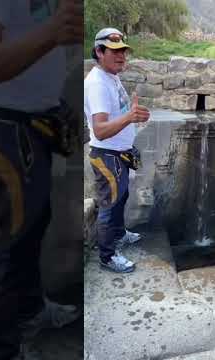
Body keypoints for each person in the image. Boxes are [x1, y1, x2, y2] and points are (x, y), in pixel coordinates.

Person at [0, 1, 82, 359]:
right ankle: (2, 350)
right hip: (0, 126)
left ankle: (29, 312)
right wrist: (54, 31)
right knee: (4, 247)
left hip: (27, 122)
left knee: (32, 225)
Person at [84, 27, 150, 273]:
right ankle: (108, 256)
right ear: (99, 52)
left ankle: (120, 234)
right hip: (107, 155)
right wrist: (130, 117)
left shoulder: (111, 75)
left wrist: (131, 115)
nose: (121, 56)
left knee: (121, 198)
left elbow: (118, 115)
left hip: (121, 152)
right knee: (109, 207)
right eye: (114, 51)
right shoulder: (97, 84)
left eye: (123, 50)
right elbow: (100, 129)